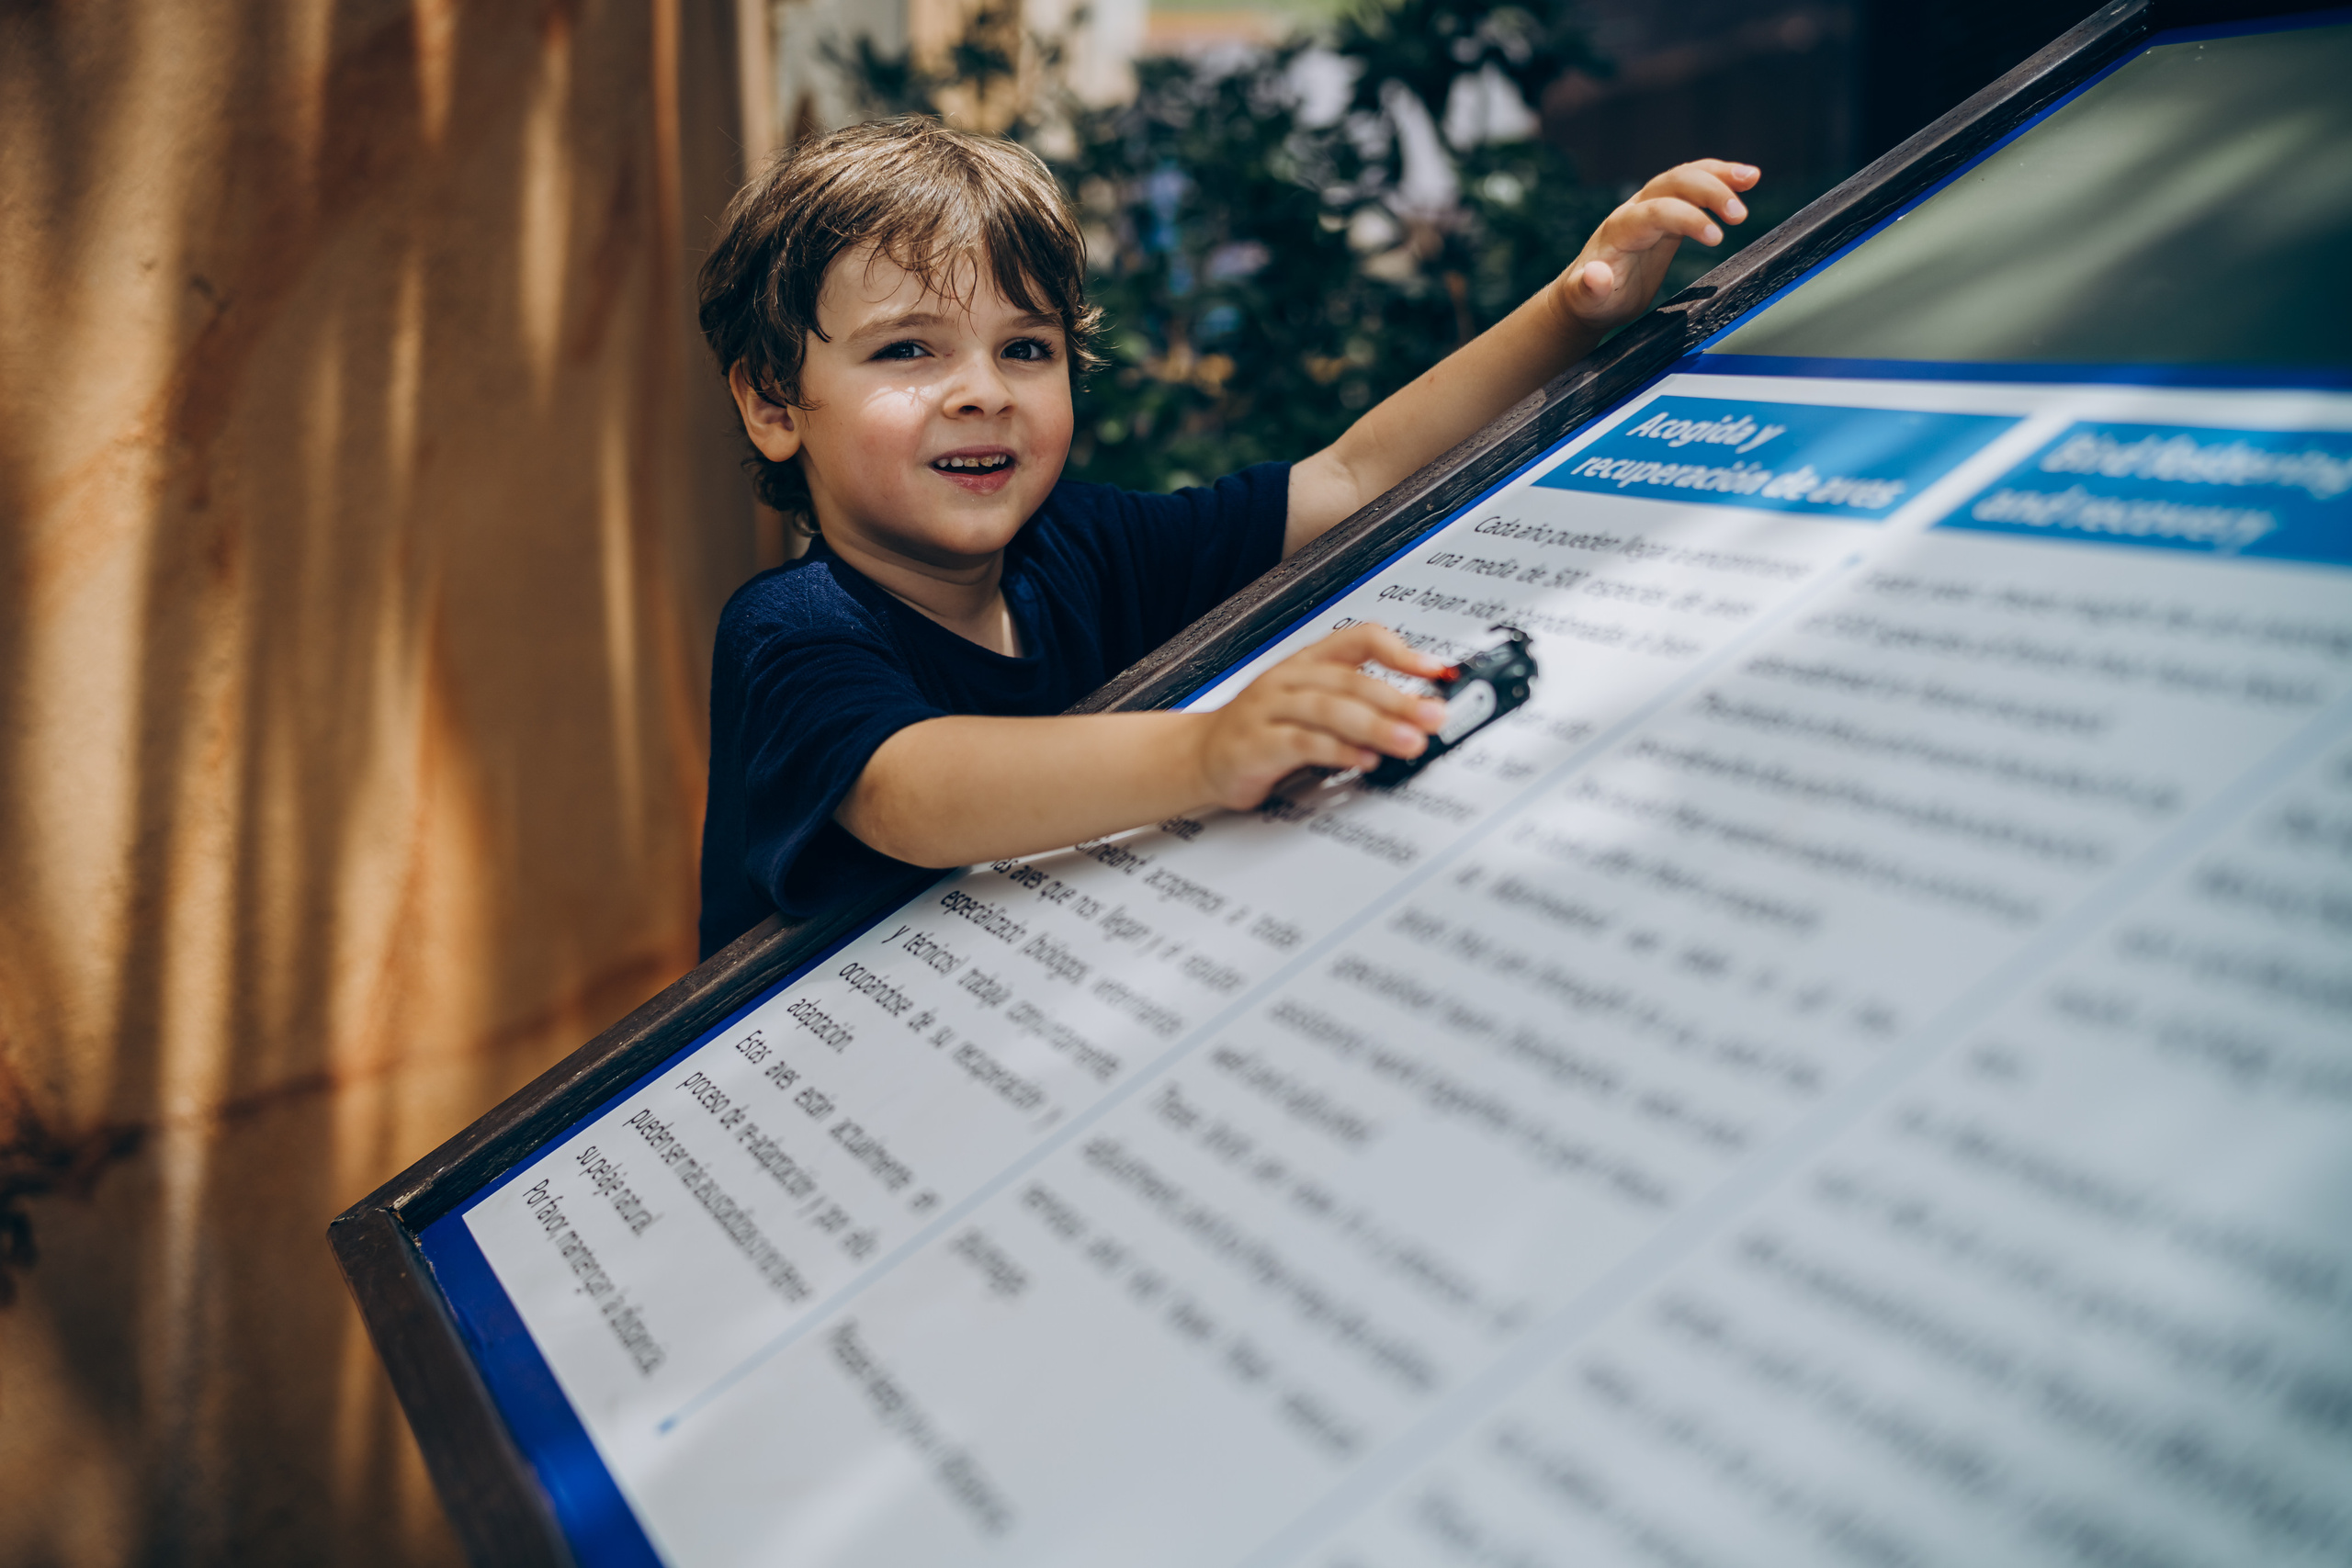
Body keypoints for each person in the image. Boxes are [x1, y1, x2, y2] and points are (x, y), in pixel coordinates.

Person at [695, 116, 1758, 956]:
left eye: (1024, 347)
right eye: (908, 351)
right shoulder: (790, 630)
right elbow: (908, 792)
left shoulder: (1082, 544)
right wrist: (1208, 749)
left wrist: (1574, 312)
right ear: (774, 404)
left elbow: (1347, 481)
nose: (981, 392)